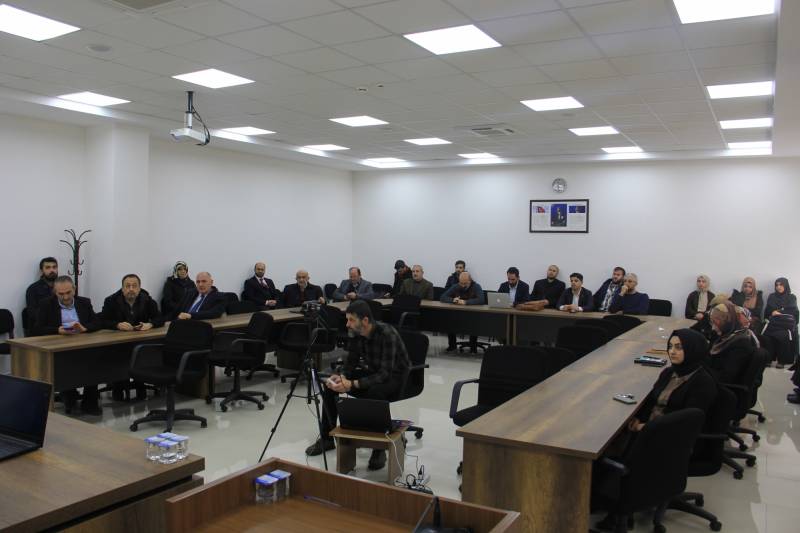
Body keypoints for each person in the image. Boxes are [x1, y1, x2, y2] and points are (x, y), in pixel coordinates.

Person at [306, 300, 410, 471]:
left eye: (351, 320)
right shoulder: (355, 332)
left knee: (374, 393)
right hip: (374, 371)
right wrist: (342, 377)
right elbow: (351, 362)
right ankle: (326, 438)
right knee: (331, 387)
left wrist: (353, 384)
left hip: (396, 376)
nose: (347, 324)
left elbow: (385, 373)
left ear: (365, 320)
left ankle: (379, 448)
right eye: (347, 319)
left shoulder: (387, 334)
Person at [34, 276, 102, 414]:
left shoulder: (84, 302)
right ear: (55, 292)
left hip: (83, 344)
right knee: (66, 366)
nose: (65, 297)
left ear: (74, 290)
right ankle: (69, 395)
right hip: (58, 346)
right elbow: (37, 328)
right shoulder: (46, 304)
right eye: (61, 294)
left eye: (68, 293)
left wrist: (85, 328)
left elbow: (97, 323)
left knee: (95, 362)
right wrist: (57, 330)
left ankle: (90, 402)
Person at [628, 328, 716, 431]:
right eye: (670, 347)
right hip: (649, 426)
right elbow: (651, 401)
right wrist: (638, 418)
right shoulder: (669, 372)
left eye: (679, 347)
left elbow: (687, 422)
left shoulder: (703, 383)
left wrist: (644, 427)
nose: (672, 352)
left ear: (692, 349)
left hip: (669, 434)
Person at [100, 274, 164, 401]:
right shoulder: (111, 301)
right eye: (127, 286)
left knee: (141, 356)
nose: (131, 289)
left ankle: (140, 385)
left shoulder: (147, 300)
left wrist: (150, 324)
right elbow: (102, 321)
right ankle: (118, 385)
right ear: (122, 288)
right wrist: (117, 325)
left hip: (140, 342)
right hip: (117, 343)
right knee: (120, 358)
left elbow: (160, 318)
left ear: (139, 288)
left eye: (134, 286)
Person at [708, 302, 756, 384]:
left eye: (716, 323)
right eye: (712, 322)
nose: (713, 328)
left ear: (729, 321)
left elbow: (726, 377)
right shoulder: (726, 336)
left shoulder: (741, 343)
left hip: (719, 386)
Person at [441, 272, 485, 352]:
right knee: (449, 320)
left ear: (470, 281)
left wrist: (466, 302)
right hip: (457, 314)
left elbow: (481, 300)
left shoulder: (476, 286)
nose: (463, 285)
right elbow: (443, 297)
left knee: (475, 324)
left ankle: (473, 348)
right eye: (461, 283)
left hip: (472, 315)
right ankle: (452, 346)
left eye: (465, 283)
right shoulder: (456, 286)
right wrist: (453, 300)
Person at [764, 277, 799, 367]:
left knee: (783, 335)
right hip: (774, 323)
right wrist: (772, 312)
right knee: (767, 335)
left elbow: (794, 311)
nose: (778, 287)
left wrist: (779, 312)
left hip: (785, 324)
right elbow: (767, 310)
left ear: (785, 286)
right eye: (777, 285)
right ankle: (768, 359)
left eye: (781, 285)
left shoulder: (791, 297)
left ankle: (782, 361)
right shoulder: (772, 296)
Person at [24, 257, 59, 331]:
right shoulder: (33, 289)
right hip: (42, 328)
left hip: (62, 324)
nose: (52, 270)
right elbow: (32, 313)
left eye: (54, 267)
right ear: (41, 270)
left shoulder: (63, 286)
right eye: (48, 267)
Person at [444, 260, 467, 350]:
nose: (458, 269)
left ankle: (473, 347)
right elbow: (446, 290)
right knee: (450, 322)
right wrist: (452, 297)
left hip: (464, 304)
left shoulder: (468, 278)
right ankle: (452, 345)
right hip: (452, 303)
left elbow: (470, 292)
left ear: (464, 269)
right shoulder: (451, 278)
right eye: (457, 267)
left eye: (460, 268)